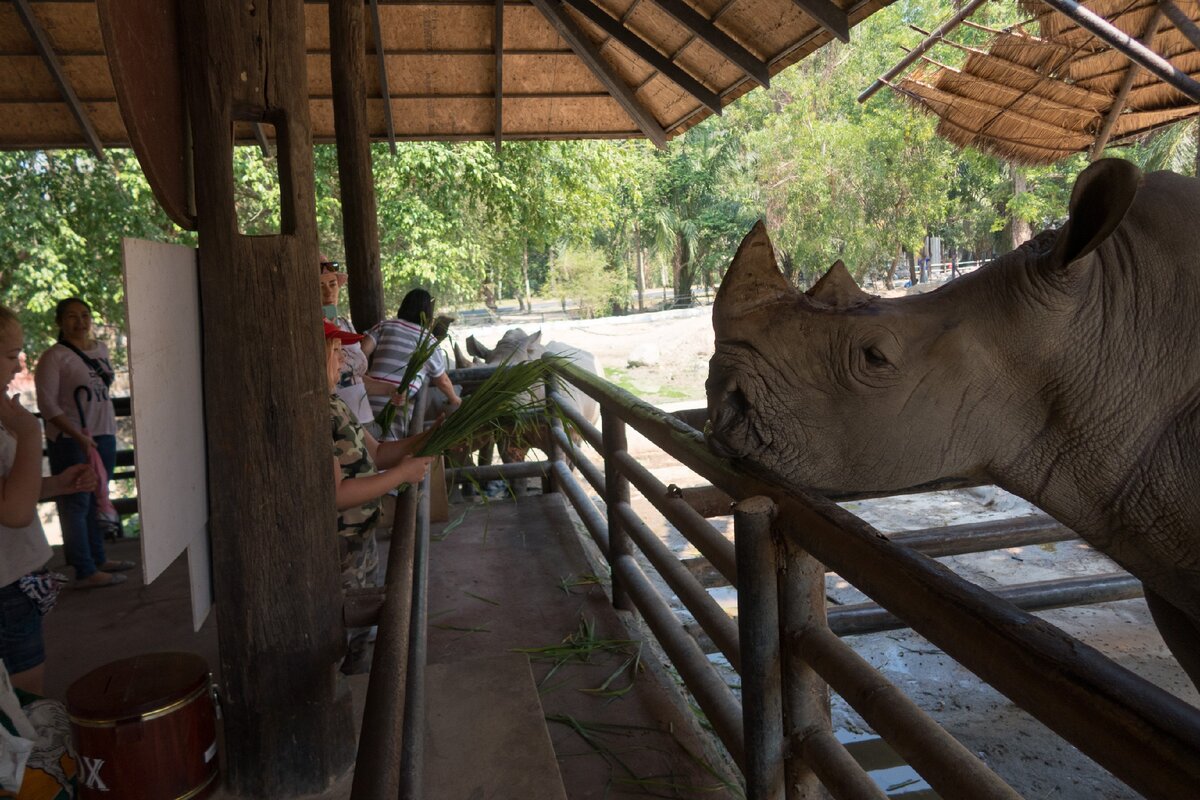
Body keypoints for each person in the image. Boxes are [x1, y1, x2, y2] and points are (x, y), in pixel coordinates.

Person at [325, 320, 433, 674]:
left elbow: (378, 451)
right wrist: (400, 475)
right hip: (338, 548)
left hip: (361, 540)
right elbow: (336, 495)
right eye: (335, 353)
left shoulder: (336, 404)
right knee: (337, 628)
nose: (342, 363)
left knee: (362, 627)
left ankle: (357, 674)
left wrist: (429, 438)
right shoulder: (312, 416)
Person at [1, 306, 96, 693]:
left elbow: (9, 493)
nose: (16, 364)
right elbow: (15, 511)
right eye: (9, 356)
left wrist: (56, 485)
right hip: (5, 588)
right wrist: (28, 434)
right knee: (25, 705)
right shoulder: (15, 421)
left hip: (13, 580)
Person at [34, 298, 134, 589]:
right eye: (72, 316)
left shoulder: (100, 349)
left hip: (103, 433)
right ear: (60, 322)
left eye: (85, 315)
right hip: (71, 439)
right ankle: (85, 567)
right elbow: (47, 405)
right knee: (76, 502)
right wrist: (78, 435)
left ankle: (99, 558)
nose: (80, 321)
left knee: (96, 496)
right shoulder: (55, 357)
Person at [364, 289, 461, 439]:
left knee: (367, 445)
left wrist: (361, 377)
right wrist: (455, 399)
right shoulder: (429, 342)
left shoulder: (384, 326)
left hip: (368, 397)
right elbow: (443, 381)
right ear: (428, 314)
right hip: (398, 404)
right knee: (390, 448)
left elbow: (362, 352)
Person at [320, 257, 376, 424]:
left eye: (332, 284)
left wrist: (390, 389)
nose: (329, 293)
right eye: (320, 285)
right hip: (340, 424)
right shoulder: (308, 330)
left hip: (364, 419)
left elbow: (355, 378)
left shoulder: (345, 324)